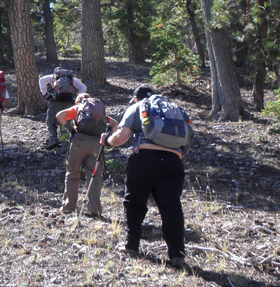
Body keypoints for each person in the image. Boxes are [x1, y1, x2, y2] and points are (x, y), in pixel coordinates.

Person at [101, 84, 190, 268]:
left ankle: (131, 246)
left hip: (145, 158)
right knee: (172, 207)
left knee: (134, 202)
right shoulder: (173, 110)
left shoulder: (137, 107)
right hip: (174, 161)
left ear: (135, 99)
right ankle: (177, 255)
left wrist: (107, 141)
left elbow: (121, 137)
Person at [56, 93, 118, 216]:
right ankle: (95, 210)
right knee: (94, 176)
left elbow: (59, 116)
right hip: (96, 143)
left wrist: (71, 130)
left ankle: (68, 207)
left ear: (79, 101)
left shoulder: (78, 107)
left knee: (73, 173)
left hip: (79, 142)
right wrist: (107, 138)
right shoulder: (99, 113)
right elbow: (115, 124)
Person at [38, 68, 87, 149]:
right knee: (66, 122)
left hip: (55, 102)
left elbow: (41, 80)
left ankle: (53, 140)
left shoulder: (53, 77)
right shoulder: (72, 79)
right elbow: (83, 87)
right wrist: (78, 98)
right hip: (69, 102)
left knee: (50, 121)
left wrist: (45, 94)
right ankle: (65, 146)